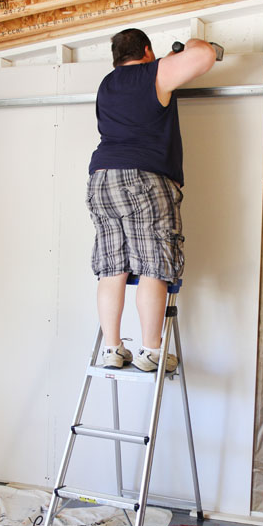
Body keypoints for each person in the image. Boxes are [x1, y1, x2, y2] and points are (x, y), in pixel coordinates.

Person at [86, 28, 216, 372]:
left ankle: (112, 348)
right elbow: (205, 57)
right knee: (154, 266)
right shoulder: (151, 73)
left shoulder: (107, 84)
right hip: (143, 178)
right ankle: (151, 351)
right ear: (147, 50)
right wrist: (189, 45)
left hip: (101, 179)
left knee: (112, 267)